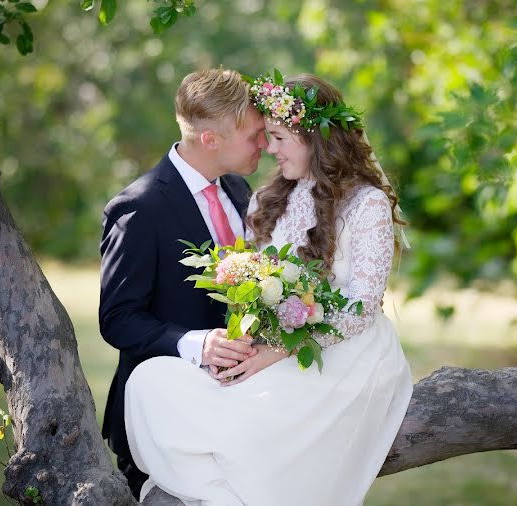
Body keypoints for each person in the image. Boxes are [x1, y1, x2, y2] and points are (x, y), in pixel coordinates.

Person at [124, 72, 413, 505]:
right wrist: (250, 341)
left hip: (342, 352)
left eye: (276, 137)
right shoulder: (265, 199)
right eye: (264, 137)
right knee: (150, 380)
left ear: (312, 136)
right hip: (270, 344)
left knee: (252, 424)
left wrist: (276, 350)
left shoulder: (364, 203)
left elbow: (360, 308)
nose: (268, 149)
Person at [98, 68, 268, 499]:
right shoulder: (139, 208)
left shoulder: (237, 187)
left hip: (239, 412)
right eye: (254, 135)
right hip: (163, 416)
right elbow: (118, 319)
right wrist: (197, 344)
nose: (264, 144)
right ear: (211, 139)